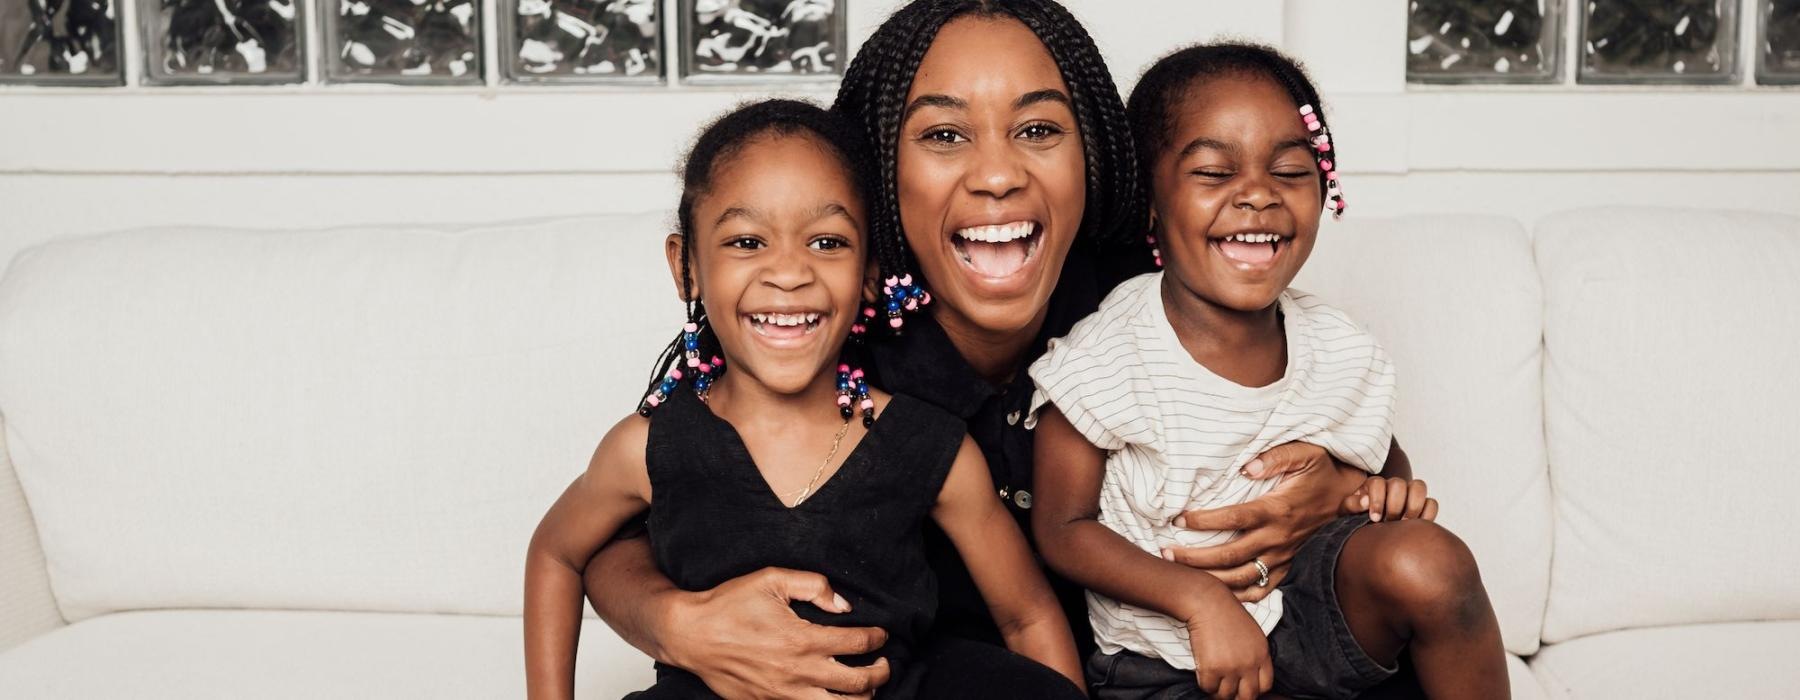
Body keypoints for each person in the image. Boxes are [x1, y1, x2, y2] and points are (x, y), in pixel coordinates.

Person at [585, 2, 1435, 697]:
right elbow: (617, 527)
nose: (998, 175)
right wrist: (674, 622)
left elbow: (1333, 398)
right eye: (944, 136)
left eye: (1037, 130)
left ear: (1095, 156)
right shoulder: (815, 337)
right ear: (876, 176)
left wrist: (1342, 485)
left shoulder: (1160, 305)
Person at [523, 99, 1084, 699]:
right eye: (745, 242)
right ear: (686, 266)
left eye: (826, 242)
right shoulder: (647, 446)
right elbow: (556, 553)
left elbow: (1027, 617)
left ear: (869, 272)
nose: (788, 272)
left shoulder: (928, 445)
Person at [1028, 43, 1510, 700]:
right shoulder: (1109, 354)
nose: (1257, 194)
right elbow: (1062, 528)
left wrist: (1386, 493)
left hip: (1313, 628)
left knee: (1433, 560)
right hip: (1167, 664)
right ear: (1150, 201)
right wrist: (1200, 601)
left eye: (1289, 171)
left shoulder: (1337, 345)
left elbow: (1379, 458)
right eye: (1213, 173)